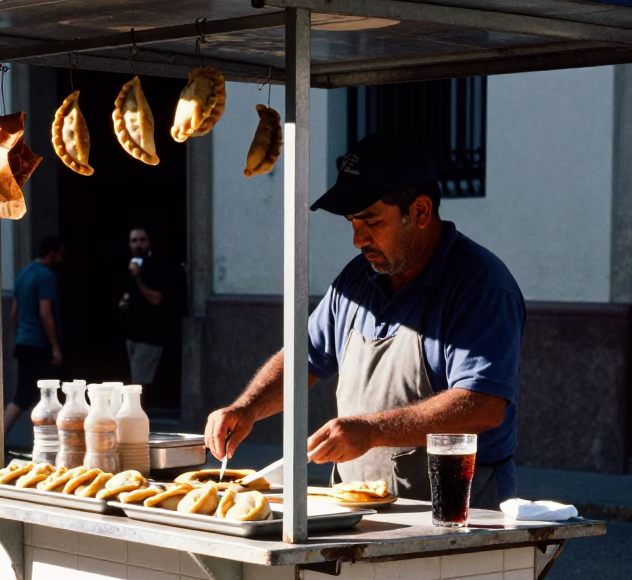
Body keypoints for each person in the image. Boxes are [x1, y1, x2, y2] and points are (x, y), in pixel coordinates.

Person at [204, 135, 526, 506]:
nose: (358, 239)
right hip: (359, 507)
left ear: (420, 212)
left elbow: (482, 404)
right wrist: (247, 408)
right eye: (352, 222)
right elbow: (304, 358)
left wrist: (372, 431)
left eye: (371, 221)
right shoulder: (357, 280)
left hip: (458, 512)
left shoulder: (481, 287)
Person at [4, 236, 65, 435]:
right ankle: (52, 443)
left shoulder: (23, 274)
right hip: (39, 345)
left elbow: (15, 312)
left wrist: (20, 335)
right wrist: (55, 346)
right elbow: (45, 313)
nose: (62, 259)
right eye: (60, 255)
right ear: (51, 254)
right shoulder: (46, 276)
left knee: (23, 396)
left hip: (24, 342)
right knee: (49, 395)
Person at [120, 227, 184, 393]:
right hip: (132, 333)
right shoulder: (131, 265)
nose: (138, 244)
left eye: (142, 240)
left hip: (150, 335)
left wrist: (138, 278)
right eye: (134, 240)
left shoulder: (155, 265)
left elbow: (155, 299)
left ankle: (137, 417)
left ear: (148, 243)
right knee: (134, 381)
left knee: (137, 385)